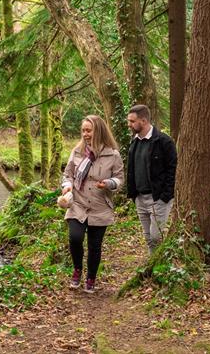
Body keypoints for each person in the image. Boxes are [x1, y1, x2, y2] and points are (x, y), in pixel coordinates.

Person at [60, 115, 124, 293]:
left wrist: (109, 183)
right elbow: (68, 174)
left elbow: (120, 179)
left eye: (89, 130)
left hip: (100, 206)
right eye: (83, 131)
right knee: (75, 238)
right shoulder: (77, 151)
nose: (85, 134)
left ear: (99, 131)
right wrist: (67, 186)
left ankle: (91, 278)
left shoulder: (113, 154)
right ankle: (77, 269)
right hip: (78, 204)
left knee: (95, 246)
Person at [126, 105, 177, 254]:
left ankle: (163, 267)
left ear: (144, 120)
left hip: (158, 198)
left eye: (132, 121)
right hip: (140, 198)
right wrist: (134, 195)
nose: (129, 124)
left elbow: (173, 169)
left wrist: (165, 196)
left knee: (156, 236)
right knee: (148, 237)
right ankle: (152, 266)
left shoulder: (163, 141)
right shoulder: (134, 142)